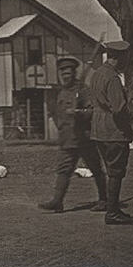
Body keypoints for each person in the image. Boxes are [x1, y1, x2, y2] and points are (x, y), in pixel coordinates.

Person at [37, 55, 107, 213]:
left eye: (68, 73)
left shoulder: (83, 90)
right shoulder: (62, 92)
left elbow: (92, 111)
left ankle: (104, 199)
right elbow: (57, 114)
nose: (65, 76)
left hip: (84, 139)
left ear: (74, 73)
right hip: (68, 139)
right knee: (64, 170)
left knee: (95, 168)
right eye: (62, 73)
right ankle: (57, 201)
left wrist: (78, 113)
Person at [86, 41, 133, 225]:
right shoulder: (113, 78)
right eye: (125, 57)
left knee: (110, 170)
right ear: (119, 57)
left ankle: (112, 208)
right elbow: (119, 108)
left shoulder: (98, 73)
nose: (127, 61)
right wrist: (132, 118)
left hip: (98, 130)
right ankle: (112, 212)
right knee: (116, 172)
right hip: (113, 130)